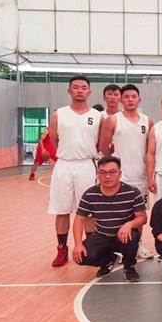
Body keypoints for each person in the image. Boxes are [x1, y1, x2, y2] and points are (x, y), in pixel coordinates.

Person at [47, 76, 102, 267]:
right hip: (64, 165)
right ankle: (62, 250)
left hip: (86, 165)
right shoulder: (59, 114)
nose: (80, 90)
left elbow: (99, 143)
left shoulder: (97, 116)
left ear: (89, 91)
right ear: (69, 91)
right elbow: (54, 141)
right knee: (61, 210)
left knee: (88, 212)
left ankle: (91, 249)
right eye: (76, 87)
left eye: (83, 87)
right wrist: (67, 153)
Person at [99, 83, 155, 260]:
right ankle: (118, 248)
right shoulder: (113, 120)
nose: (130, 100)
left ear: (139, 100)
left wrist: (150, 174)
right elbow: (103, 146)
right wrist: (114, 167)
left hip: (141, 175)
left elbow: (150, 150)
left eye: (133, 97)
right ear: (121, 100)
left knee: (140, 213)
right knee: (118, 212)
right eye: (126, 97)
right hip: (121, 176)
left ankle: (138, 245)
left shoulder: (148, 121)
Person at [71, 156, 147, 283]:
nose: (107, 176)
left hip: (124, 236)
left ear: (120, 174)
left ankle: (129, 267)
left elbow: (143, 218)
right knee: (81, 256)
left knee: (132, 237)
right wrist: (78, 244)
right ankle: (108, 260)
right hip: (102, 235)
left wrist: (129, 224)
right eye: (103, 172)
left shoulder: (132, 192)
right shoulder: (90, 194)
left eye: (112, 172)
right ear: (98, 175)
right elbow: (79, 219)